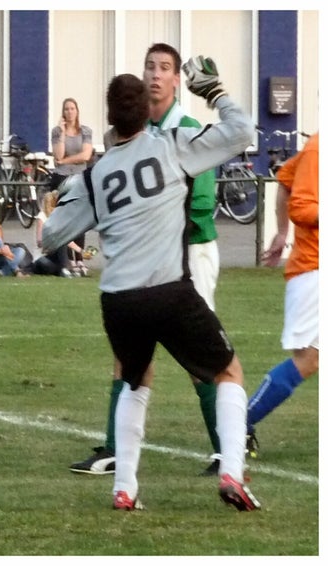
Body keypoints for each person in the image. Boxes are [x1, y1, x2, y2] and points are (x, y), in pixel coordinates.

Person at [43, 62, 259, 511]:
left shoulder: (95, 176)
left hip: (118, 300)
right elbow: (241, 132)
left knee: (134, 380)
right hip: (169, 290)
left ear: (108, 117)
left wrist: (63, 198)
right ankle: (233, 473)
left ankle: (125, 488)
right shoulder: (173, 145)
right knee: (229, 372)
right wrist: (214, 92)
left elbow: (50, 237)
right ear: (147, 112)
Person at [69, 43, 224, 477]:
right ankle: (115, 449)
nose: (155, 74)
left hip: (189, 251)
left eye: (165, 68)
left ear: (177, 80)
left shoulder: (186, 128)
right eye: (149, 67)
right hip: (148, 256)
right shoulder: (129, 133)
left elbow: (203, 201)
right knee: (128, 354)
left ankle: (227, 447)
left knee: (199, 356)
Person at [246, 132, 319, 457]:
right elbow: (302, 207)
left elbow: (285, 179)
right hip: (315, 269)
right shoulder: (319, 149)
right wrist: (285, 230)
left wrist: (281, 232)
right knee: (308, 359)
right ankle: (240, 423)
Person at [50, 98, 94, 276]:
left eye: (72, 108)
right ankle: (68, 259)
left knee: (80, 217)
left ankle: (80, 258)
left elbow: (85, 155)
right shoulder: (56, 131)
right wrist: (61, 133)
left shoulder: (85, 131)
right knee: (65, 218)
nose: (69, 112)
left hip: (79, 178)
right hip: (62, 178)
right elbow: (58, 155)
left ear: (77, 111)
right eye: (66, 109)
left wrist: (66, 160)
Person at [24, 190, 83, 277]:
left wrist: (80, 251)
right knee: (47, 264)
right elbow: (40, 242)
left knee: (61, 242)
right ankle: (65, 269)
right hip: (43, 256)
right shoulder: (42, 217)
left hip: (55, 256)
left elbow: (66, 239)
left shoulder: (59, 218)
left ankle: (64, 269)